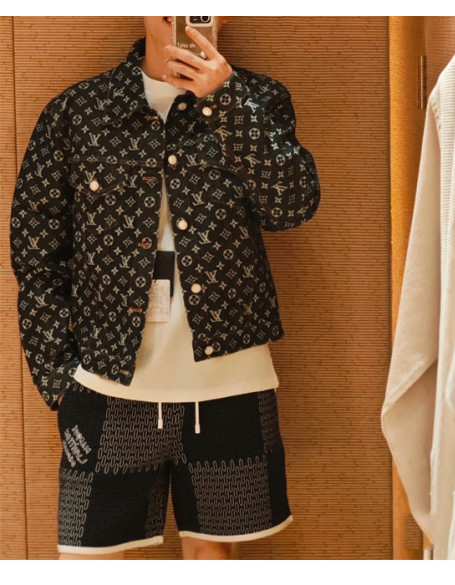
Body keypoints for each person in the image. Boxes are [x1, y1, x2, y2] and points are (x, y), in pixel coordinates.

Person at [10, 16, 320, 560]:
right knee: (87, 562)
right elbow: (36, 253)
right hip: (106, 378)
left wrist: (225, 100)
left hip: (230, 381)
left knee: (212, 559)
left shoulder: (259, 101)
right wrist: (58, 377)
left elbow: (291, 206)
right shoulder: (78, 112)